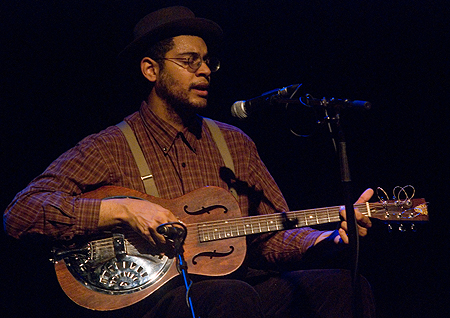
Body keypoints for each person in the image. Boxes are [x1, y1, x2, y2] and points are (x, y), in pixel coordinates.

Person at [3, 6, 375, 318]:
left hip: (237, 286)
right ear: (151, 70)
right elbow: (20, 213)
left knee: (346, 287)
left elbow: (271, 236)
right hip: (156, 296)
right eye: (189, 61)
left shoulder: (234, 143)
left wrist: (327, 237)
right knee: (230, 296)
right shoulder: (110, 147)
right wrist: (120, 210)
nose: (205, 71)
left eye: (209, 62)